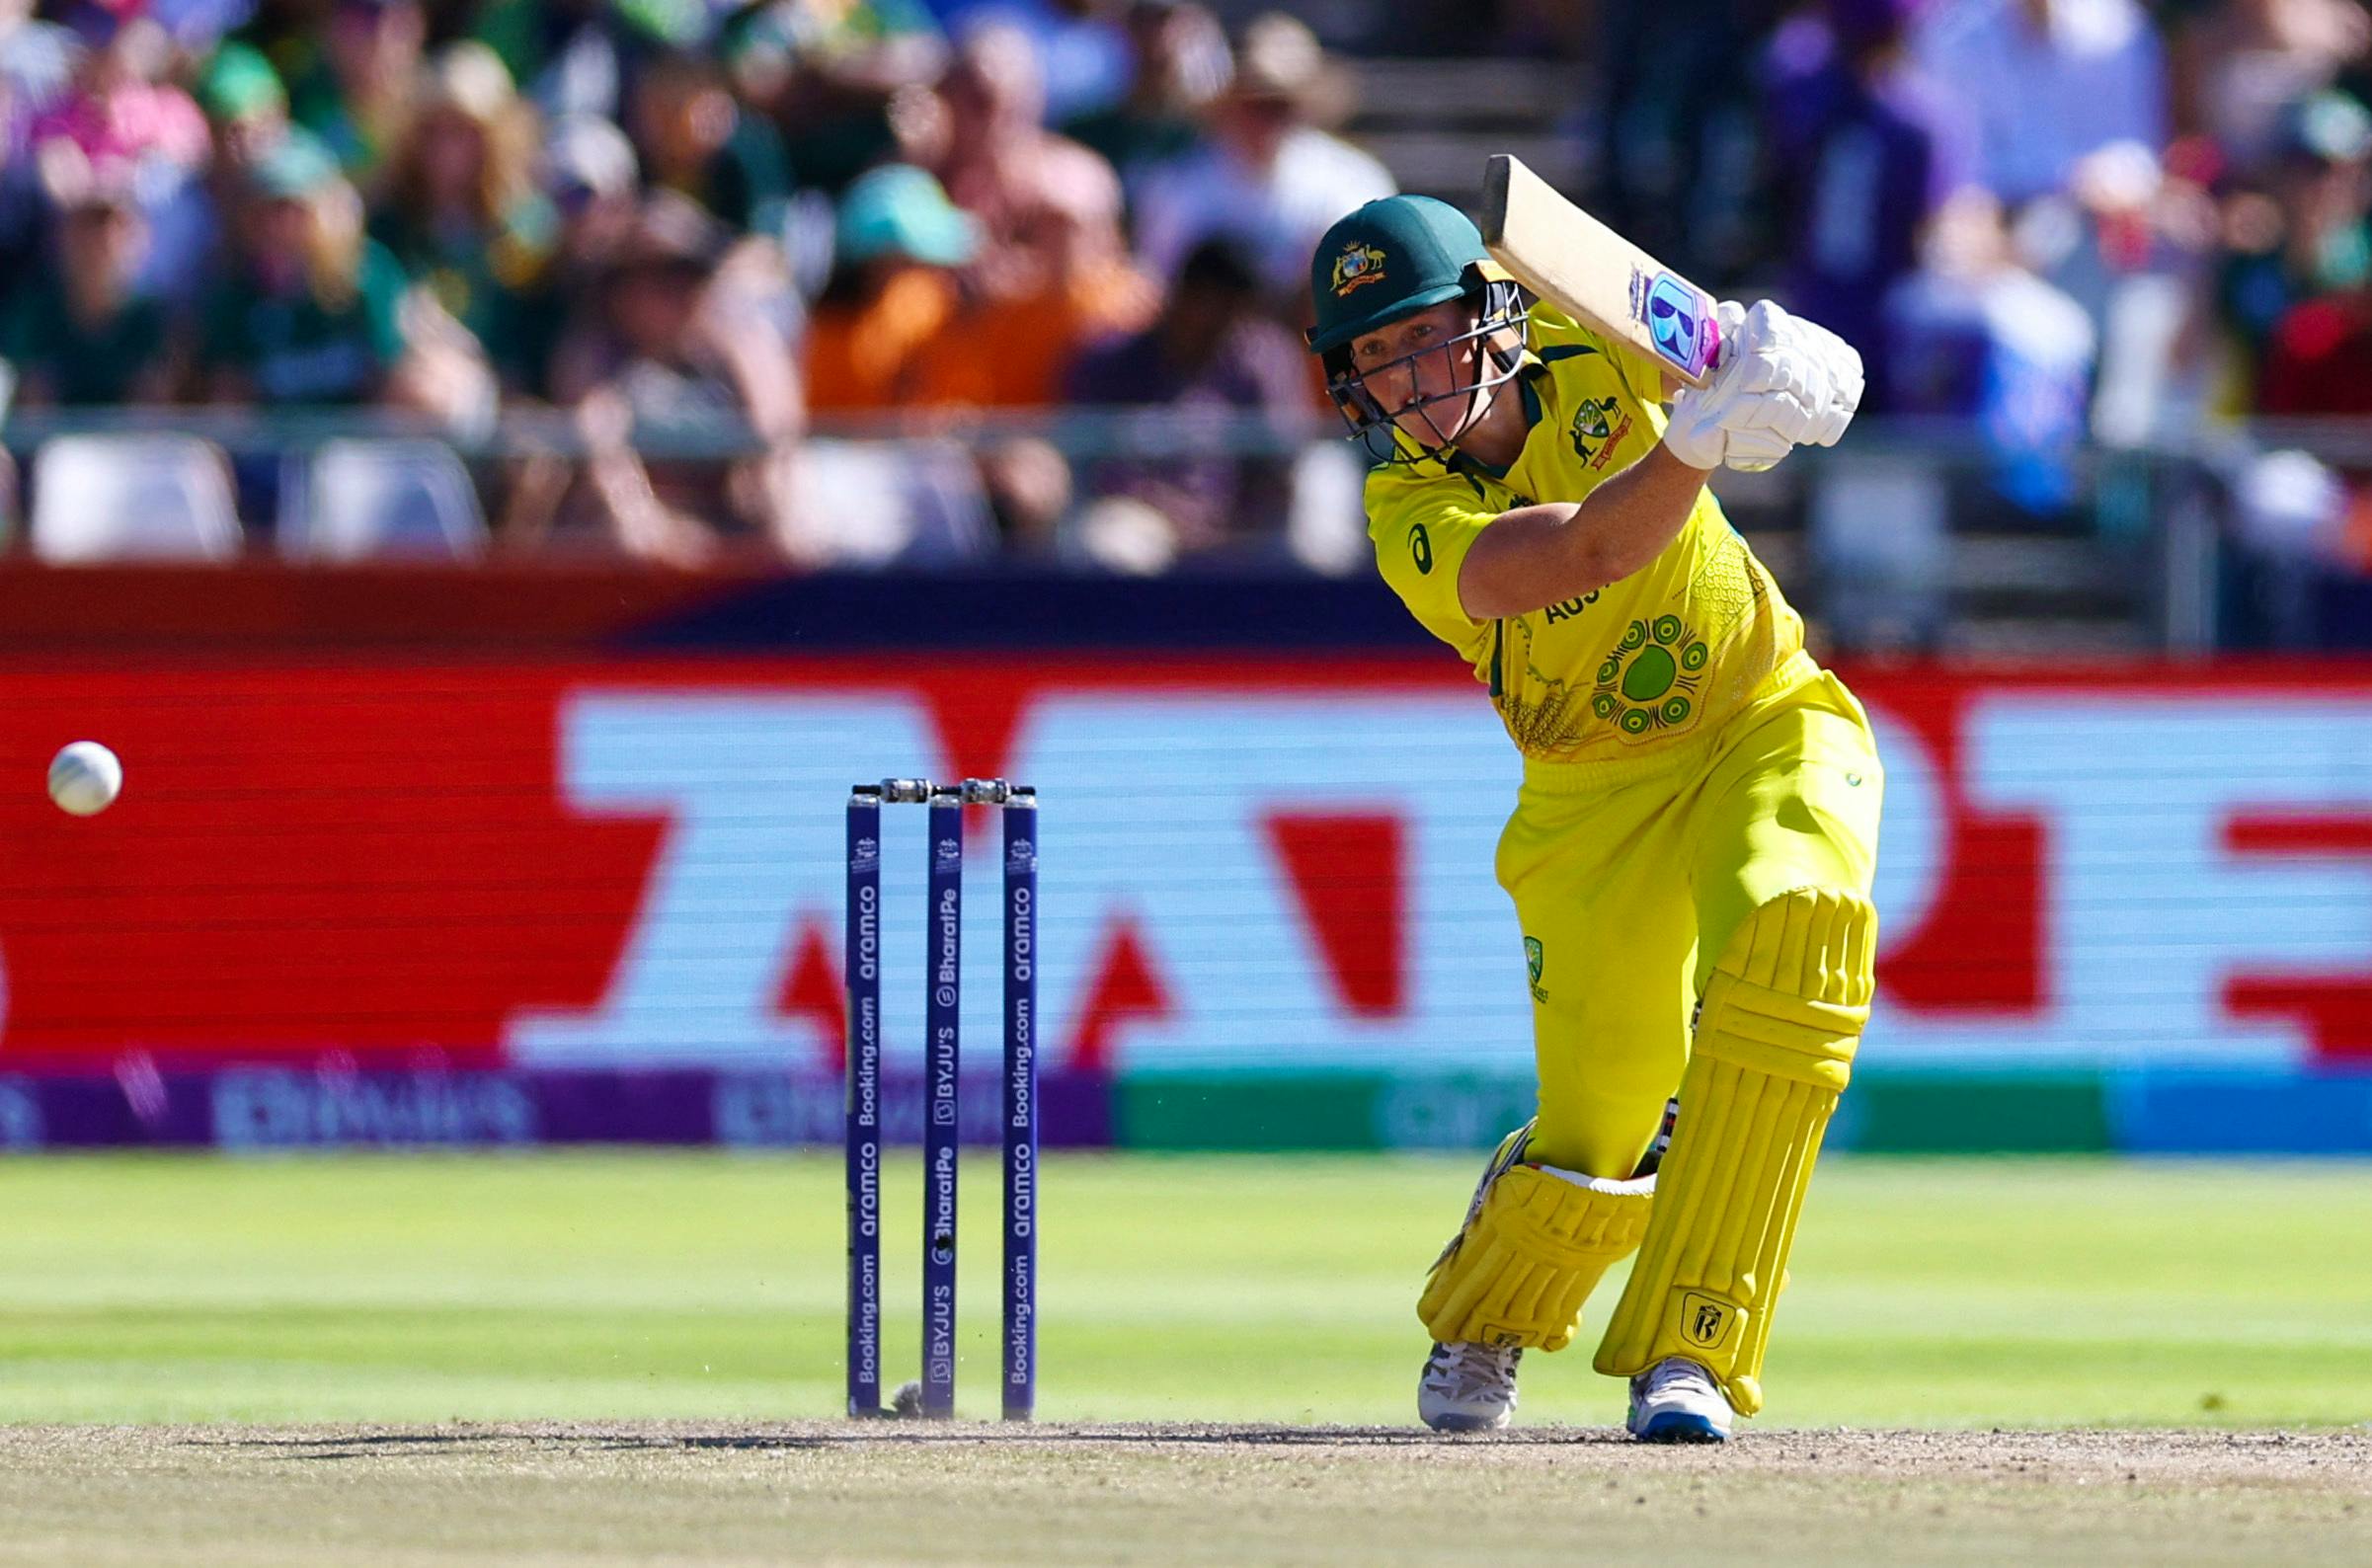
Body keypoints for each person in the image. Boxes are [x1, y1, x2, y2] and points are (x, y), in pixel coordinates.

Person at [1304, 195, 1879, 1441]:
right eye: (1371, 361)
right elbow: (1575, 558)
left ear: (1486, 313)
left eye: (1420, 338)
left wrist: (1782, 361)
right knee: (1605, 1117)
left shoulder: (1588, 334)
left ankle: (1695, 1353)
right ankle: (1491, 1308)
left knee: (1794, 940)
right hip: (1589, 797)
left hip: (1761, 710)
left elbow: (1720, 350)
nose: (1402, 381)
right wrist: (1696, 445)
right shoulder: (1404, 514)